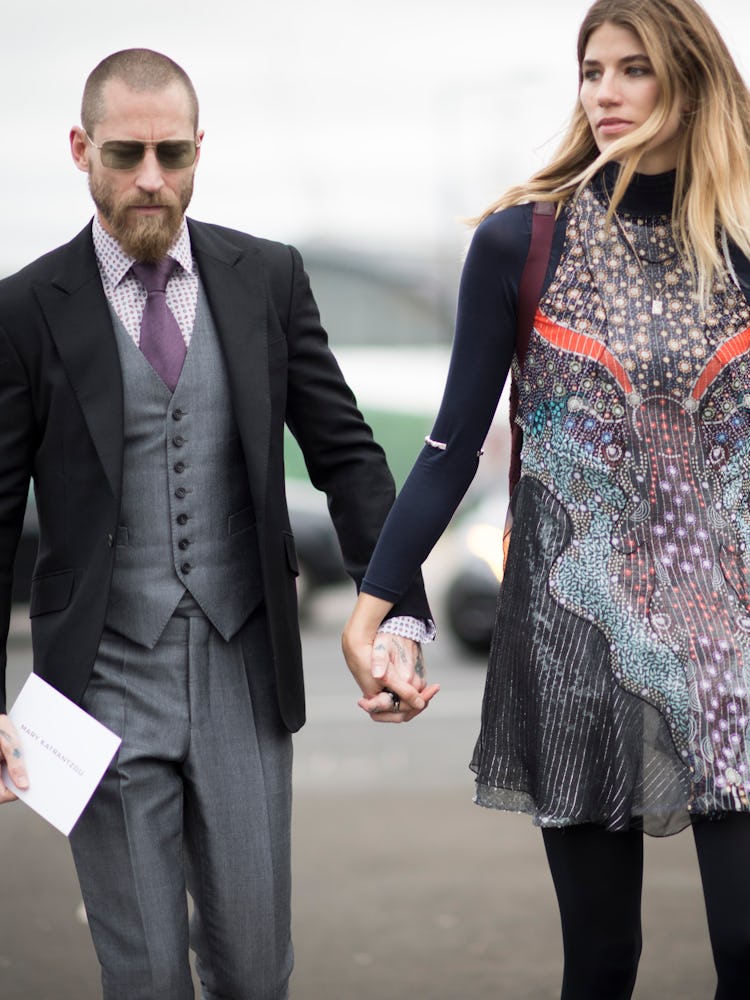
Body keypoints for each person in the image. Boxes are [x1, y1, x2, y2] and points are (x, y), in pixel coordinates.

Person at [0, 48, 437, 1000]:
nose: (151, 179)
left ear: (201, 150)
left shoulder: (266, 279)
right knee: (147, 974)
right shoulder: (27, 306)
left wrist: (397, 617)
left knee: (252, 969)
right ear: (81, 149)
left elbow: (347, 454)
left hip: (245, 673)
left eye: (172, 153)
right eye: (125, 155)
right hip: (100, 684)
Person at [343, 1, 750, 996]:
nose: (605, 92)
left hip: (734, 641)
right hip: (575, 638)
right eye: (592, 70)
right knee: (605, 960)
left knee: (748, 951)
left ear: (689, 80)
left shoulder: (743, 245)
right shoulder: (524, 241)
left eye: (632, 70)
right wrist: (376, 605)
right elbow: (446, 448)